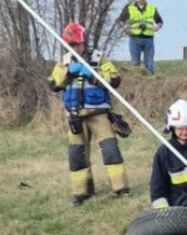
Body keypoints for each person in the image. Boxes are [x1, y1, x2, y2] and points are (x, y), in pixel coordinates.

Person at [48, 22, 130, 206]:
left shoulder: (99, 58)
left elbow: (115, 80)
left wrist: (92, 73)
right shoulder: (64, 61)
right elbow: (53, 84)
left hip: (99, 113)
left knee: (111, 151)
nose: (74, 48)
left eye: (77, 44)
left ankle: (121, 189)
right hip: (75, 116)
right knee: (77, 155)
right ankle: (81, 193)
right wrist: (67, 73)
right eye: (71, 45)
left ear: (83, 42)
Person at [117, 0, 163, 75]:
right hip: (134, 38)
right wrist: (124, 29)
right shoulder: (129, 8)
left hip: (148, 38)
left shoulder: (152, 8)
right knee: (135, 65)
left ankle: (149, 81)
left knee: (149, 65)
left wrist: (157, 27)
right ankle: (137, 83)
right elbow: (120, 20)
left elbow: (160, 21)